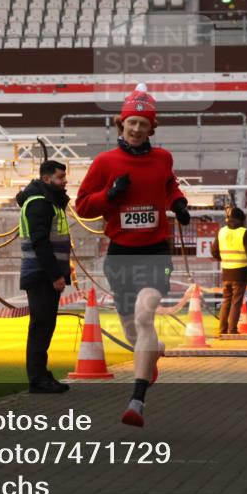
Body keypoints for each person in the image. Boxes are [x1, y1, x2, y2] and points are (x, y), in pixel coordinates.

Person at [75, 82, 191, 427]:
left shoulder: (163, 158)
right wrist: (110, 195)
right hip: (120, 253)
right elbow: (83, 206)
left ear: (152, 127)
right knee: (131, 329)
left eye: (144, 123)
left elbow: (169, 185)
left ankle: (136, 401)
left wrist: (178, 203)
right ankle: (150, 354)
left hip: (156, 251)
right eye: (132, 123)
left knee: (144, 315)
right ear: (121, 124)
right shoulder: (105, 162)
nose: (137, 129)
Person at [16, 159, 71, 394]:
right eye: (60, 177)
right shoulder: (40, 203)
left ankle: (41, 374)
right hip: (42, 275)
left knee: (45, 325)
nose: (64, 181)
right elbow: (41, 242)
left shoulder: (48, 201)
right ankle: (38, 378)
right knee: (41, 326)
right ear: (46, 179)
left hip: (43, 273)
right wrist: (55, 275)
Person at [211, 207, 247, 335]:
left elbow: (214, 251)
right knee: (236, 301)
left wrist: (225, 260)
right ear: (241, 219)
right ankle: (232, 329)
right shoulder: (244, 232)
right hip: (241, 272)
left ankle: (222, 329)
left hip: (226, 271)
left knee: (226, 300)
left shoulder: (221, 231)